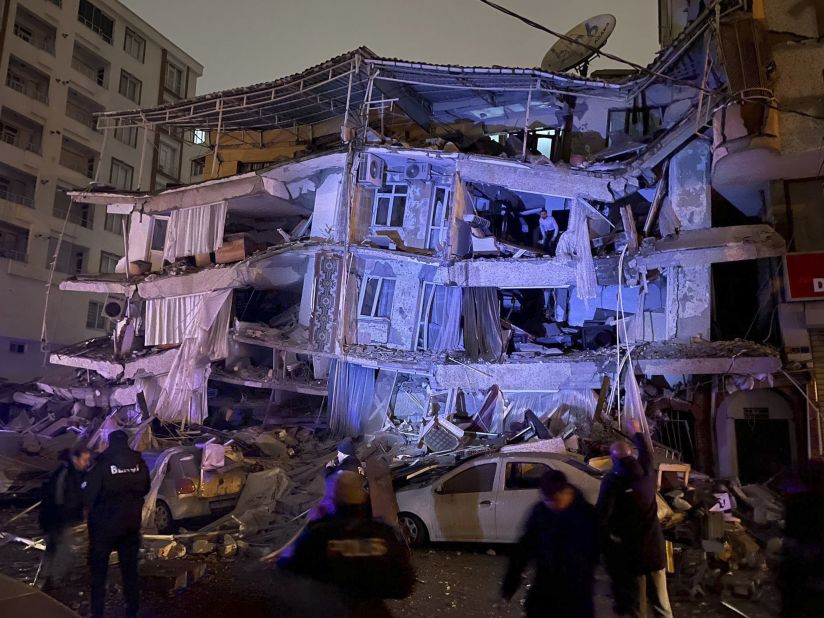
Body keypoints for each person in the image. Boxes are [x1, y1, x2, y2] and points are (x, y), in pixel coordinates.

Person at [277, 471, 415, 617]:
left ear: (330, 501)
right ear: (363, 499)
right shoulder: (383, 534)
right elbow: (404, 585)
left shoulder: (318, 537)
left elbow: (288, 569)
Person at [597, 418, 673, 618]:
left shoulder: (612, 482)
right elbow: (647, 452)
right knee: (662, 604)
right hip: (655, 550)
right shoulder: (646, 473)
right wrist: (637, 431)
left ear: (613, 460)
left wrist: (608, 541)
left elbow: (602, 516)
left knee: (638, 608)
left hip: (632, 554)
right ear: (632, 456)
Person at [502, 469, 599, 618]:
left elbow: (608, 550)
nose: (549, 504)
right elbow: (523, 550)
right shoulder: (540, 512)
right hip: (545, 591)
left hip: (577, 594)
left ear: (564, 492)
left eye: (552, 500)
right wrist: (510, 584)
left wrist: (623, 591)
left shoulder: (587, 515)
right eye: (545, 499)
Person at [84, 430, 150, 618]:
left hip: (104, 528)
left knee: (99, 574)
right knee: (130, 571)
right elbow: (146, 488)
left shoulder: (102, 464)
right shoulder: (138, 462)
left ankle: (97, 612)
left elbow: (89, 495)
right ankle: (132, 610)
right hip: (130, 525)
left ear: (110, 442)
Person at [38, 445, 92, 590]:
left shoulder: (72, 472)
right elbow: (59, 499)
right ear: (75, 458)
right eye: (85, 460)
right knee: (63, 549)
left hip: (58, 519)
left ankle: (47, 578)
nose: (87, 463)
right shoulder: (65, 473)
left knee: (53, 548)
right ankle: (57, 581)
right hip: (59, 519)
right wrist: (66, 519)